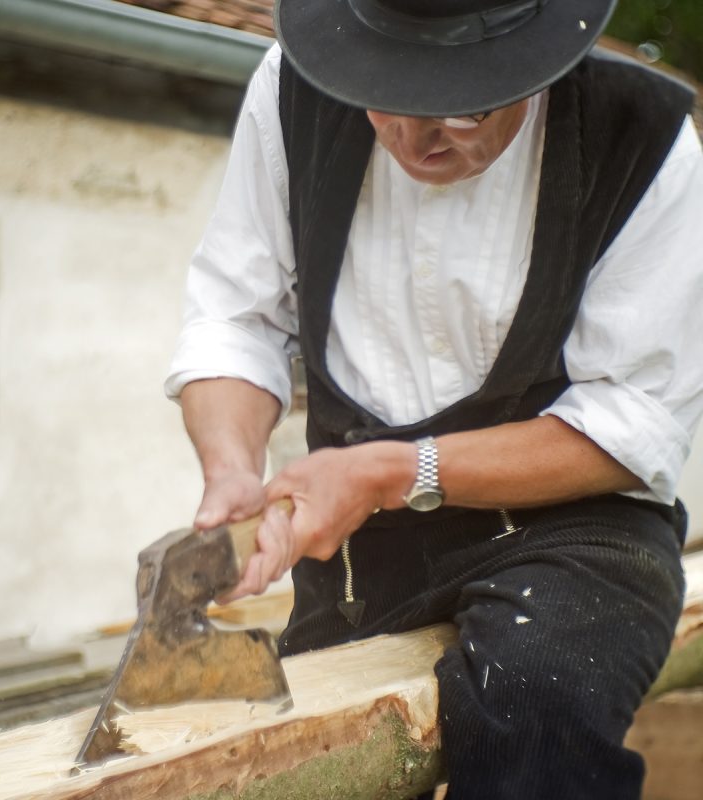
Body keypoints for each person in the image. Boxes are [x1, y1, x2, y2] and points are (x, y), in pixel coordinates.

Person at [166, 1, 703, 797]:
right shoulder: (295, 88)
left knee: (539, 703)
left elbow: (635, 419)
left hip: (573, 533)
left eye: (462, 108)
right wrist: (231, 468)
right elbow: (236, 317)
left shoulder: (643, 135)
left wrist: (391, 471)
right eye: (385, 97)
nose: (416, 140)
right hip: (364, 550)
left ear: (534, 61)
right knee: (303, 766)